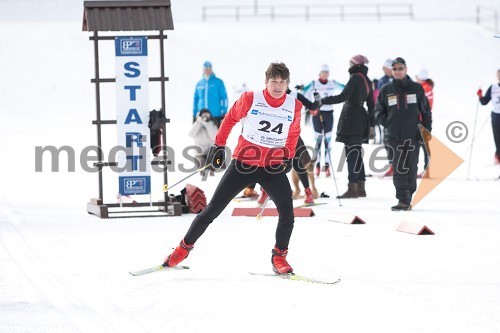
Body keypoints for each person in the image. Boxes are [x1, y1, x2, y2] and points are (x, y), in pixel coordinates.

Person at [164, 62, 302, 274]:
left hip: (272, 166)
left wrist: (288, 156)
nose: (278, 86)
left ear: (287, 84)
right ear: (266, 82)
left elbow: (293, 133)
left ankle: (279, 257)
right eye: (274, 81)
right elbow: (229, 120)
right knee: (212, 210)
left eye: (282, 82)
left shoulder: (294, 106)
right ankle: (182, 249)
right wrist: (218, 145)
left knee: (287, 213)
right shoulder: (250, 99)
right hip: (244, 164)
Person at [375, 57, 432, 211]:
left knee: (412, 167)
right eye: (395, 69)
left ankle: (408, 194)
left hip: (413, 135)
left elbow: (426, 112)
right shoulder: (386, 90)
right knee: (399, 167)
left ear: (406, 70)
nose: (398, 71)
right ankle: (403, 199)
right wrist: (387, 123)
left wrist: (426, 132)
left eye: (400, 68)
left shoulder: (416, 88)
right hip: (393, 137)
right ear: (392, 71)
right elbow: (378, 112)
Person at [319, 54, 375, 199]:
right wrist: (372, 125)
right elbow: (371, 104)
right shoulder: (367, 80)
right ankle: (361, 188)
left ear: (355, 65)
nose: (349, 66)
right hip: (361, 118)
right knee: (356, 153)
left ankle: (352, 188)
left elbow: (343, 96)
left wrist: (323, 100)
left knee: (351, 154)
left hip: (352, 118)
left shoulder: (355, 78)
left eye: (350, 63)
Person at [303, 64, 345, 177]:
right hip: (317, 114)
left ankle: (326, 167)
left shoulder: (333, 83)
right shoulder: (313, 84)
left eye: (327, 72)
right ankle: (317, 166)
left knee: (327, 142)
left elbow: (345, 88)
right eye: (323, 72)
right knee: (318, 141)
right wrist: (310, 108)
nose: (325, 74)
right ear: (319, 73)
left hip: (328, 114)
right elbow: (304, 93)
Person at [193, 61, 228, 128]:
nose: (207, 70)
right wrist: (194, 114)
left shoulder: (218, 82)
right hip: (202, 116)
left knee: (215, 137)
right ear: (203, 70)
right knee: (201, 137)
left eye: (209, 69)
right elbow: (195, 99)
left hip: (215, 115)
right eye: (205, 69)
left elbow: (224, 98)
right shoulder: (199, 83)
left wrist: (224, 112)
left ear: (211, 69)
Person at [477, 69, 500, 164]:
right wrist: (480, 96)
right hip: (496, 116)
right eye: (498, 75)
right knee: (497, 137)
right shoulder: (493, 87)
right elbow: (484, 102)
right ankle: (498, 155)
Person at [415, 68, 435, 175]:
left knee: (424, 146)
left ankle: (427, 170)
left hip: (423, 120)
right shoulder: (426, 87)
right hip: (423, 119)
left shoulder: (424, 88)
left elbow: (424, 106)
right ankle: (425, 170)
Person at [188, 109, 219, 175]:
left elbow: (214, 137)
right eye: (204, 115)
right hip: (199, 154)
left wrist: (207, 125)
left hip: (210, 153)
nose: (206, 117)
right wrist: (198, 123)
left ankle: (211, 177)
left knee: (211, 166)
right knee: (201, 164)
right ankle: (202, 177)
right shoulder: (196, 125)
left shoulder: (212, 125)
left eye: (207, 115)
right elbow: (191, 134)